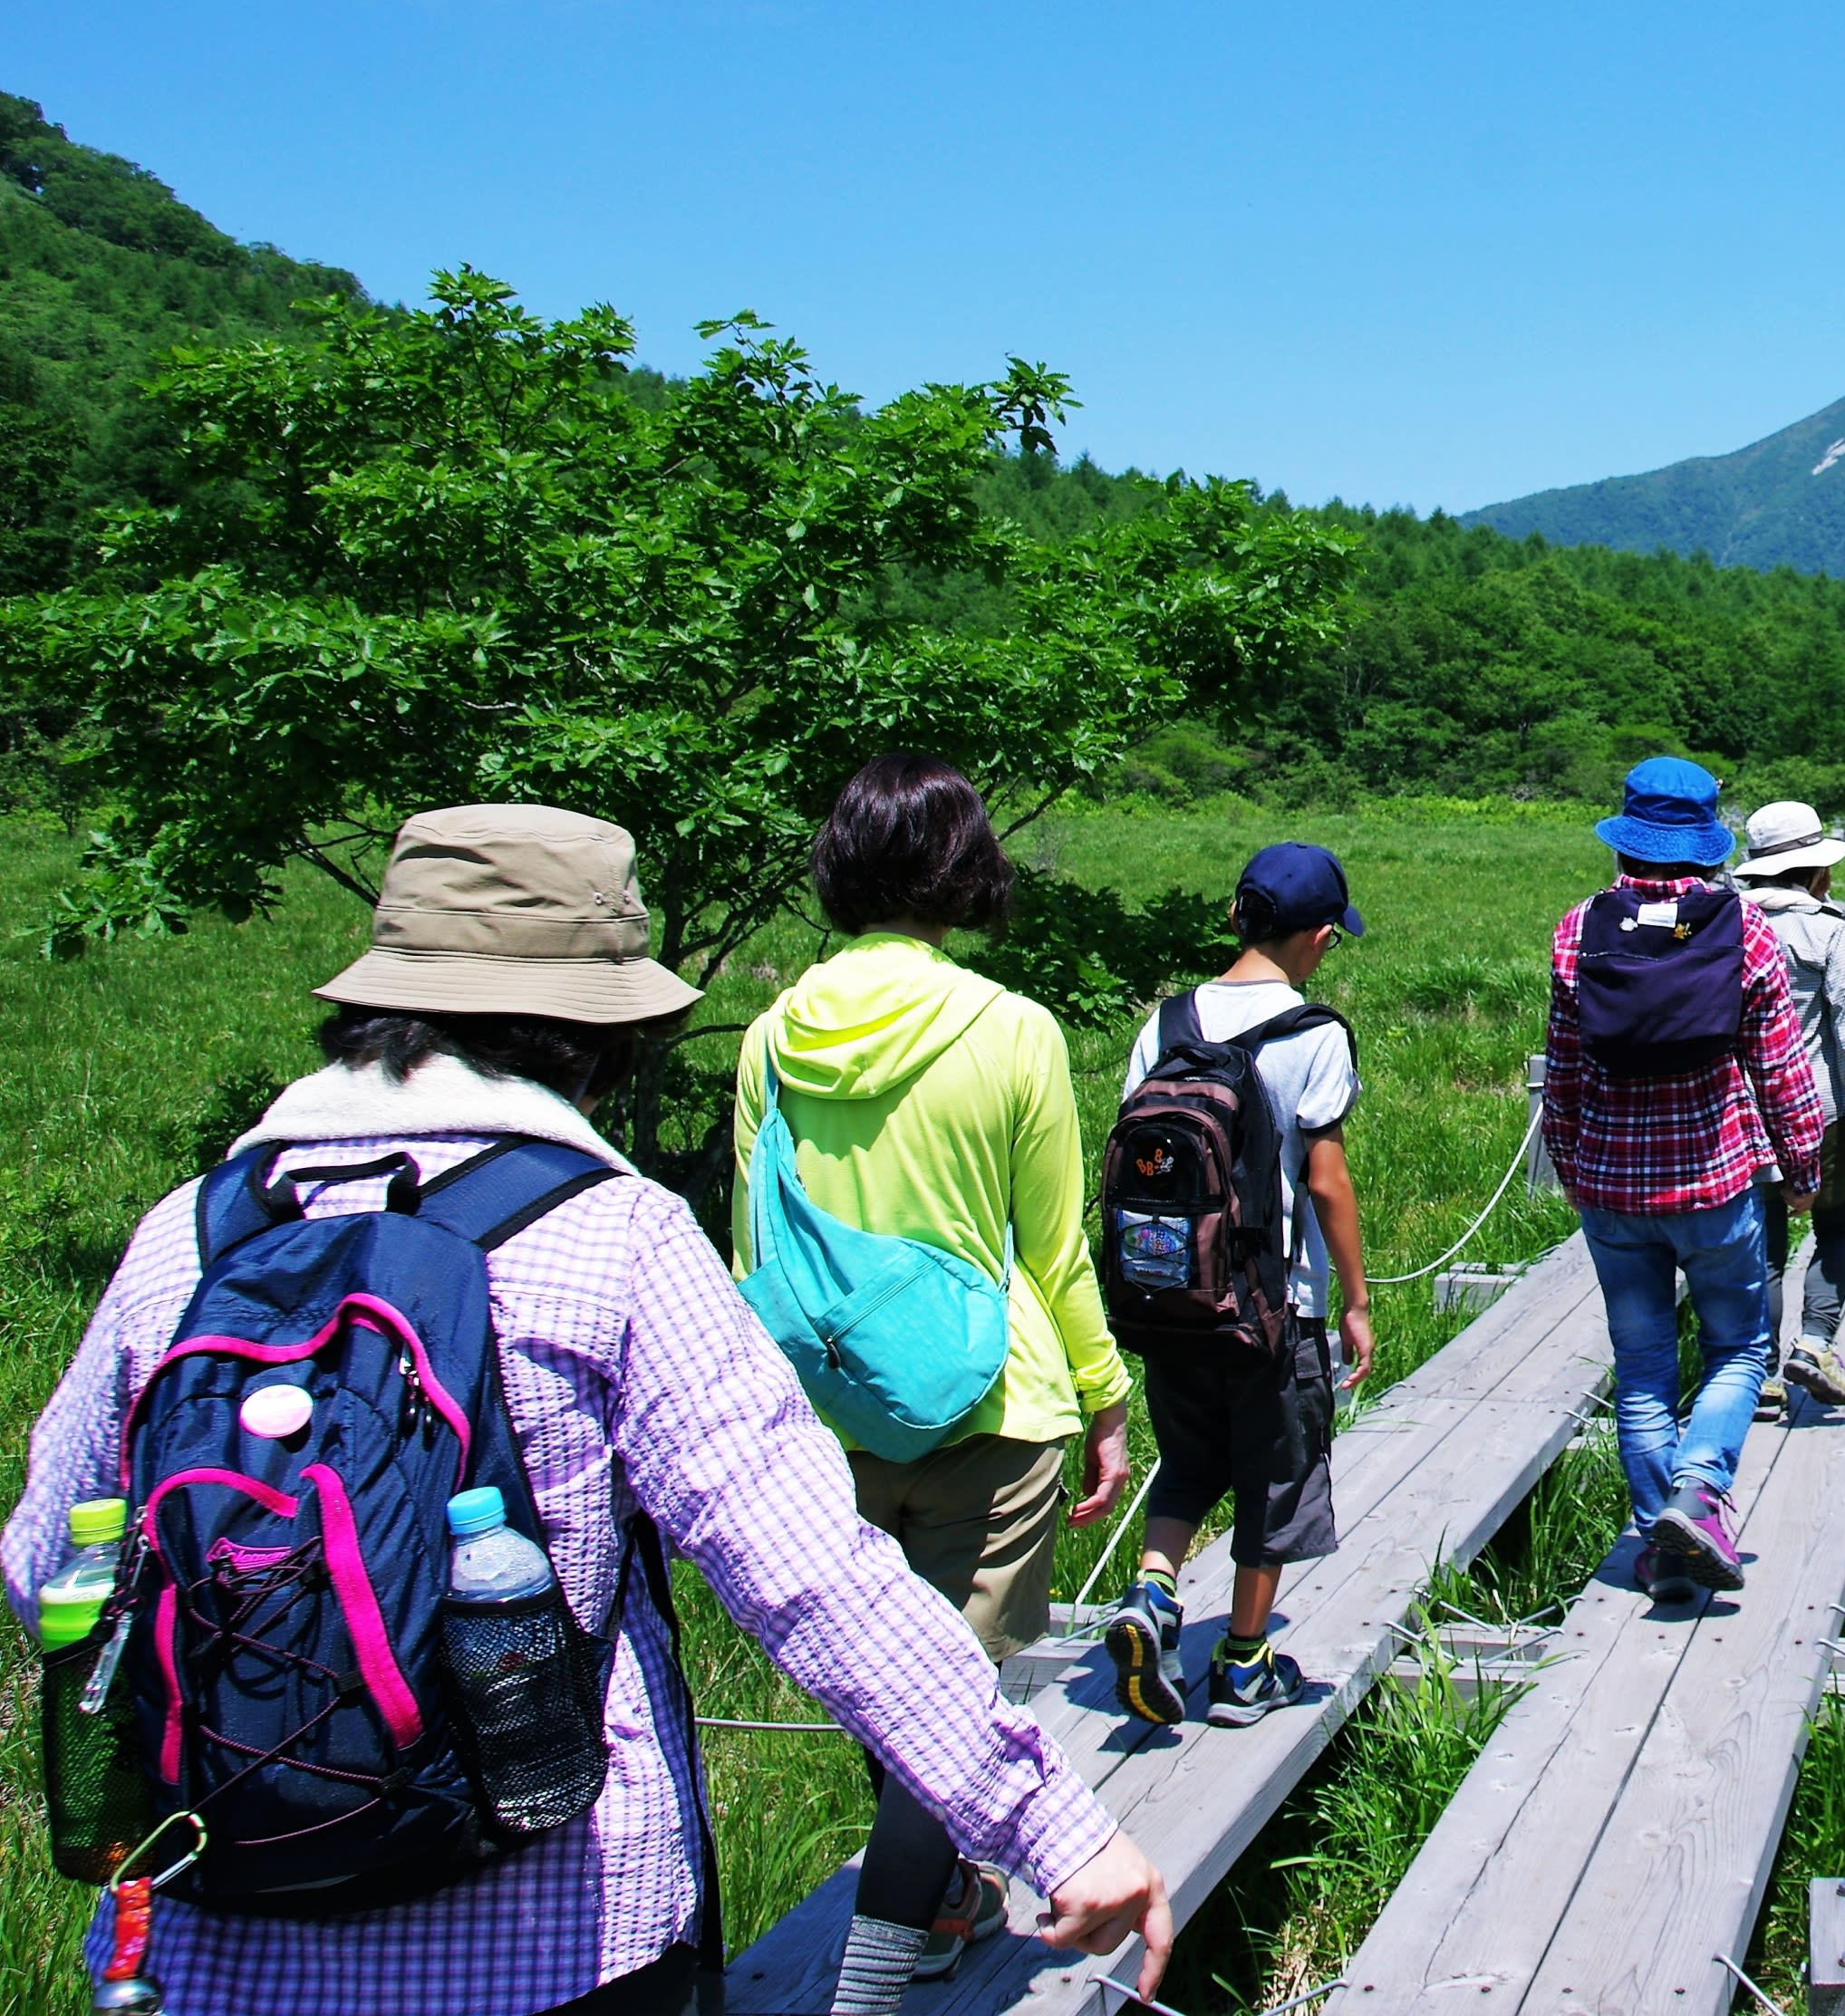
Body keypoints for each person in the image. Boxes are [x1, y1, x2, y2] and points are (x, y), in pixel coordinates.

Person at [5, 803, 1168, 2016]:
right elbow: (812, 1575)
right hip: (554, 1943)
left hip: (204, 1942)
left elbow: (50, 1566)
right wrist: (1052, 1824)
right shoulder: (608, 1237)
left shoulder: (186, 1238)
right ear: (590, 1033)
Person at [729, 754, 1138, 2012]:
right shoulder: (1012, 1028)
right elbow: (1055, 1245)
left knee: (882, 1675)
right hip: (992, 1402)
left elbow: (757, 1241)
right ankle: (882, 1958)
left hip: (825, 1407)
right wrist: (1105, 1393)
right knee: (951, 1691)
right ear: (967, 873)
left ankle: (943, 1893)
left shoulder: (770, 1036)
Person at [1098, 843, 1373, 1731]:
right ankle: (1246, 1665)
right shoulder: (1314, 1034)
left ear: (1235, 918)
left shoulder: (1167, 1023)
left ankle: (1154, 1592)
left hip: (1172, 1300)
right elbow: (1326, 1181)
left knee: (1188, 1462)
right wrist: (1356, 1302)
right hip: (1272, 1306)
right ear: (1322, 938)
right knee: (1274, 1482)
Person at [1541, 758, 1827, 1603]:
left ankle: (1657, 1544)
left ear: (1628, 833)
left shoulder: (1577, 928)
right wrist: (1804, 1169)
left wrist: (1570, 1165)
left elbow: (1563, 1074)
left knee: (1642, 1366)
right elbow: (1781, 1070)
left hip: (1611, 1191)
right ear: (1705, 840)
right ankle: (1701, 1493)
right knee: (1738, 1348)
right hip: (1714, 1180)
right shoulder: (1745, 929)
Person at [1729, 801, 1845, 1411]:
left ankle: (1759, 1371)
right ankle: (1814, 1343)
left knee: (1761, 1242)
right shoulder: (1829, 930)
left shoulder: (1725, 925)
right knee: (1838, 1224)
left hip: (1739, 1113)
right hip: (1817, 1110)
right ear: (1817, 874)